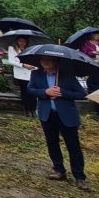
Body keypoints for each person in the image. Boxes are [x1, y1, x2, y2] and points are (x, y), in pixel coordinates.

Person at [28, 56, 88, 189]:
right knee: (52, 143)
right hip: (47, 114)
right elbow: (30, 89)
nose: (45, 62)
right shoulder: (36, 74)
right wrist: (45, 92)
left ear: (56, 61)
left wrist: (63, 93)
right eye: (43, 60)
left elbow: (81, 93)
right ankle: (59, 170)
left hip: (66, 115)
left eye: (49, 60)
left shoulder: (67, 75)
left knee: (73, 146)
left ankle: (79, 176)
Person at [7, 36, 37, 117]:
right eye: (20, 41)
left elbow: (35, 60)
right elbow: (11, 61)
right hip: (21, 74)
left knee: (32, 92)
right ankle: (27, 109)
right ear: (17, 41)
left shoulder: (30, 49)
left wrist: (33, 66)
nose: (22, 43)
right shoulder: (12, 49)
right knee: (25, 92)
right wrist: (23, 65)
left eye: (24, 41)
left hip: (31, 73)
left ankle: (33, 109)